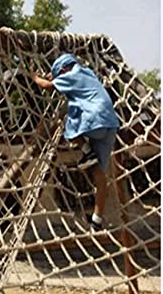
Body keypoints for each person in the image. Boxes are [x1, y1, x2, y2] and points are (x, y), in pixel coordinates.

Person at [31, 53, 120, 231]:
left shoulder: (70, 75)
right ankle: (96, 219)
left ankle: (87, 150)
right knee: (100, 174)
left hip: (94, 120)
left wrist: (33, 76)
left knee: (68, 126)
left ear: (63, 70)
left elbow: (47, 86)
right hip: (110, 124)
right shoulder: (87, 72)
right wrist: (54, 75)